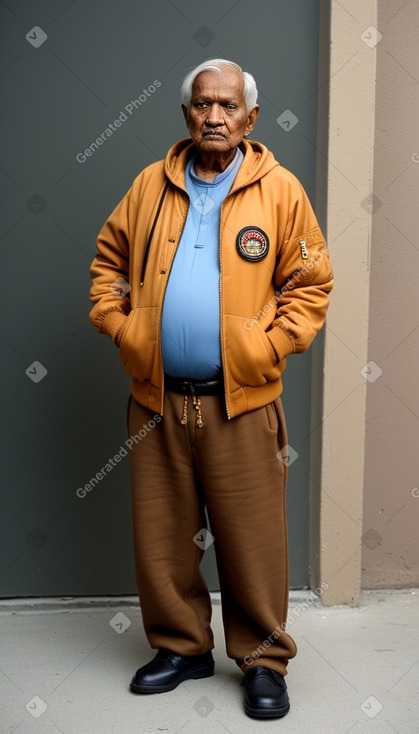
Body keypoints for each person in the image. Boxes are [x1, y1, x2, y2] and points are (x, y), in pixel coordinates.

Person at [89, 58, 333, 719]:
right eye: (202, 105)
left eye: (228, 106)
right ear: (186, 114)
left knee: (252, 538)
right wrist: (123, 326)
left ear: (250, 117)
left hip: (241, 402)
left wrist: (264, 347)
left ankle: (261, 661)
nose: (214, 116)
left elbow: (310, 285)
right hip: (155, 401)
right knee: (162, 537)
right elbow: (107, 264)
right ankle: (181, 647)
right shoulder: (149, 186)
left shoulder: (280, 191)